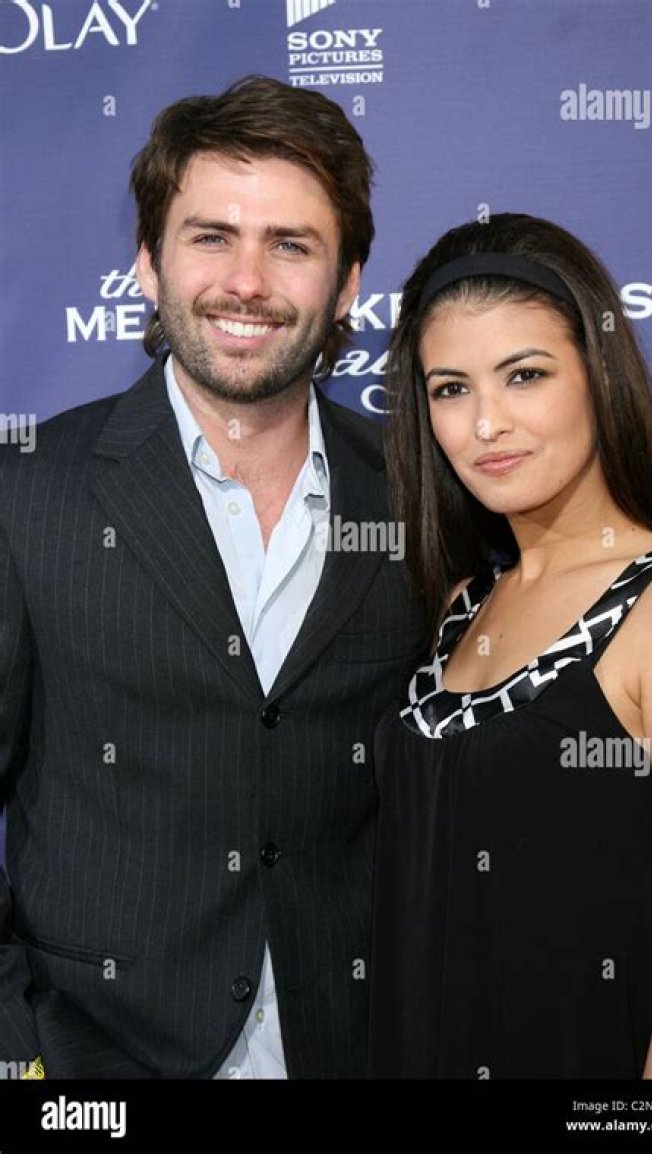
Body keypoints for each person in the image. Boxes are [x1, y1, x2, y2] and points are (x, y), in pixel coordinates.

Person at [0, 75, 428, 1079]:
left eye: (291, 245)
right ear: (148, 264)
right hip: (95, 1059)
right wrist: (20, 1052)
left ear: (348, 283)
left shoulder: (418, 491)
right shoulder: (28, 493)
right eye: (211, 236)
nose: (247, 281)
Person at [368, 213, 652, 1079]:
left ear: (599, 375)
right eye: (451, 389)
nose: (486, 424)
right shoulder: (462, 606)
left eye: (524, 375)